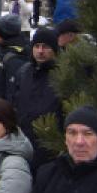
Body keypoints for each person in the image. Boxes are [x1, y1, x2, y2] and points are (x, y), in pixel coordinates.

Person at [9, 25, 62, 168]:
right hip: (22, 142)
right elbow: (13, 102)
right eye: (37, 46)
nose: (40, 51)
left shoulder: (62, 76)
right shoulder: (23, 72)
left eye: (45, 47)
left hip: (49, 148)